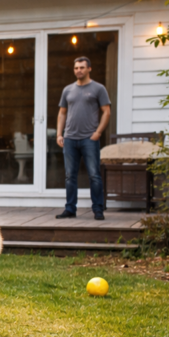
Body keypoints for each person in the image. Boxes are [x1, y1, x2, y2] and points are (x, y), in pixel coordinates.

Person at [55, 56, 111, 220]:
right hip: (70, 139)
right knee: (69, 176)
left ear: (89, 69)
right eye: (76, 68)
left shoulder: (98, 89)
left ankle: (98, 209)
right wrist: (59, 134)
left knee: (94, 175)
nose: (78, 70)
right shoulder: (67, 90)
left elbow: (106, 111)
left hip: (89, 139)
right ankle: (70, 209)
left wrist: (98, 132)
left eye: (82, 67)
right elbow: (62, 113)